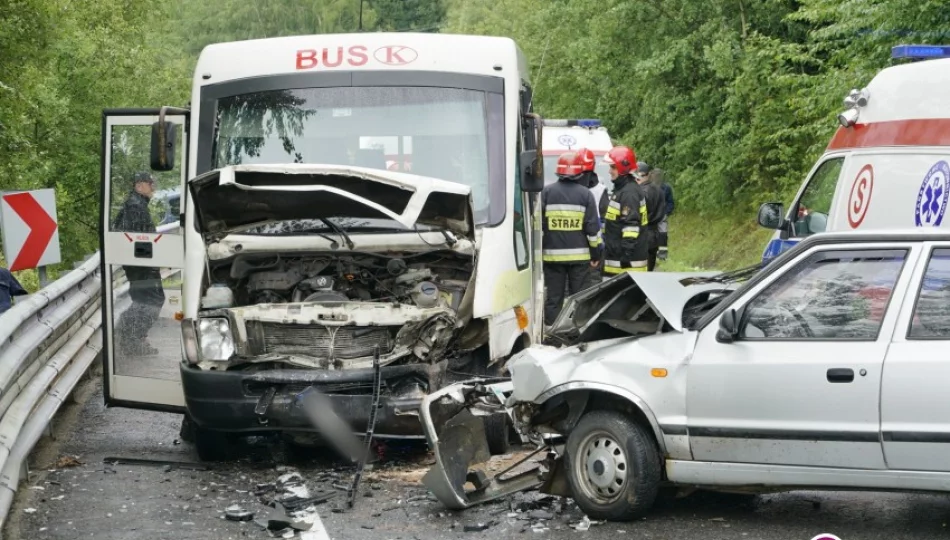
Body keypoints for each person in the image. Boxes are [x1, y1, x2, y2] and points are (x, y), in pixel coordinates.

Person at [541, 149, 603, 324]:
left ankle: (552, 333)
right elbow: (592, 229)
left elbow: (539, 225)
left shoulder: (546, 193)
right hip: (580, 258)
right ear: (579, 172)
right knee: (578, 298)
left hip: (552, 257)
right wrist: (596, 255)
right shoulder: (586, 194)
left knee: (554, 298)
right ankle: (576, 331)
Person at [113, 171, 165, 356]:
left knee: (145, 300)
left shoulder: (135, 205)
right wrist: (151, 262)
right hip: (141, 265)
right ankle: (131, 340)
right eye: (151, 184)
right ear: (139, 186)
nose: (154, 187)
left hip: (138, 264)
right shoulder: (135, 207)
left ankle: (132, 339)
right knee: (151, 300)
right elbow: (138, 240)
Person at [601, 146, 649, 276]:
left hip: (626, 263)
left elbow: (631, 226)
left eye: (613, 167)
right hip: (619, 259)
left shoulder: (629, 193)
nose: (610, 171)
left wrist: (626, 255)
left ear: (623, 167)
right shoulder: (623, 190)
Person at [634, 162, 668, 271]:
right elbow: (663, 217)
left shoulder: (638, 192)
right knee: (649, 269)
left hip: (641, 235)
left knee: (638, 271)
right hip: (654, 236)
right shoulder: (659, 191)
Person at [651, 168, 674, 260]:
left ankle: (662, 255)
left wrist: (666, 213)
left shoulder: (666, 188)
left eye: (658, 175)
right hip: (650, 215)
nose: (657, 177)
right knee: (650, 234)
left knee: (663, 234)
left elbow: (670, 202)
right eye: (655, 175)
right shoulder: (648, 187)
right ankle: (650, 253)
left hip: (661, 215)